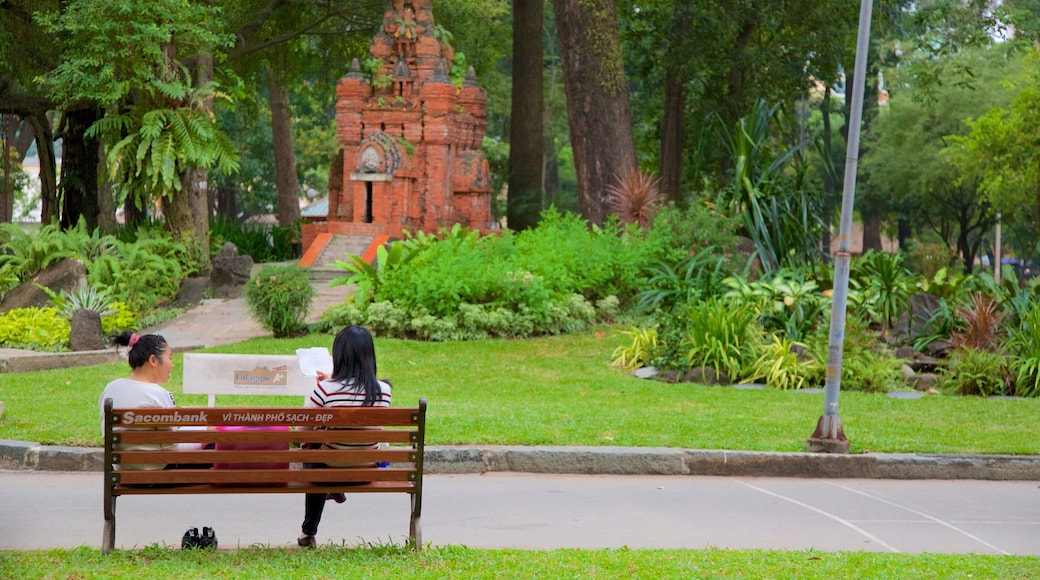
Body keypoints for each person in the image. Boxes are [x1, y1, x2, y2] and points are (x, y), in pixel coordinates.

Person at [298, 325, 392, 548]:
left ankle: (308, 531)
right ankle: (334, 488)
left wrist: (326, 386)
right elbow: (354, 393)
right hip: (366, 468)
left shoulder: (325, 389)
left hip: (329, 468)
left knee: (311, 447)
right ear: (369, 355)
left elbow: (301, 432)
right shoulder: (383, 390)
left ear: (339, 356)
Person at [98, 331, 205, 470]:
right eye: (170, 358)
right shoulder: (158, 393)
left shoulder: (110, 389)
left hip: (122, 471)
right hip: (159, 469)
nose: (172, 365)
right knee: (213, 441)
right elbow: (172, 447)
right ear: (153, 360)